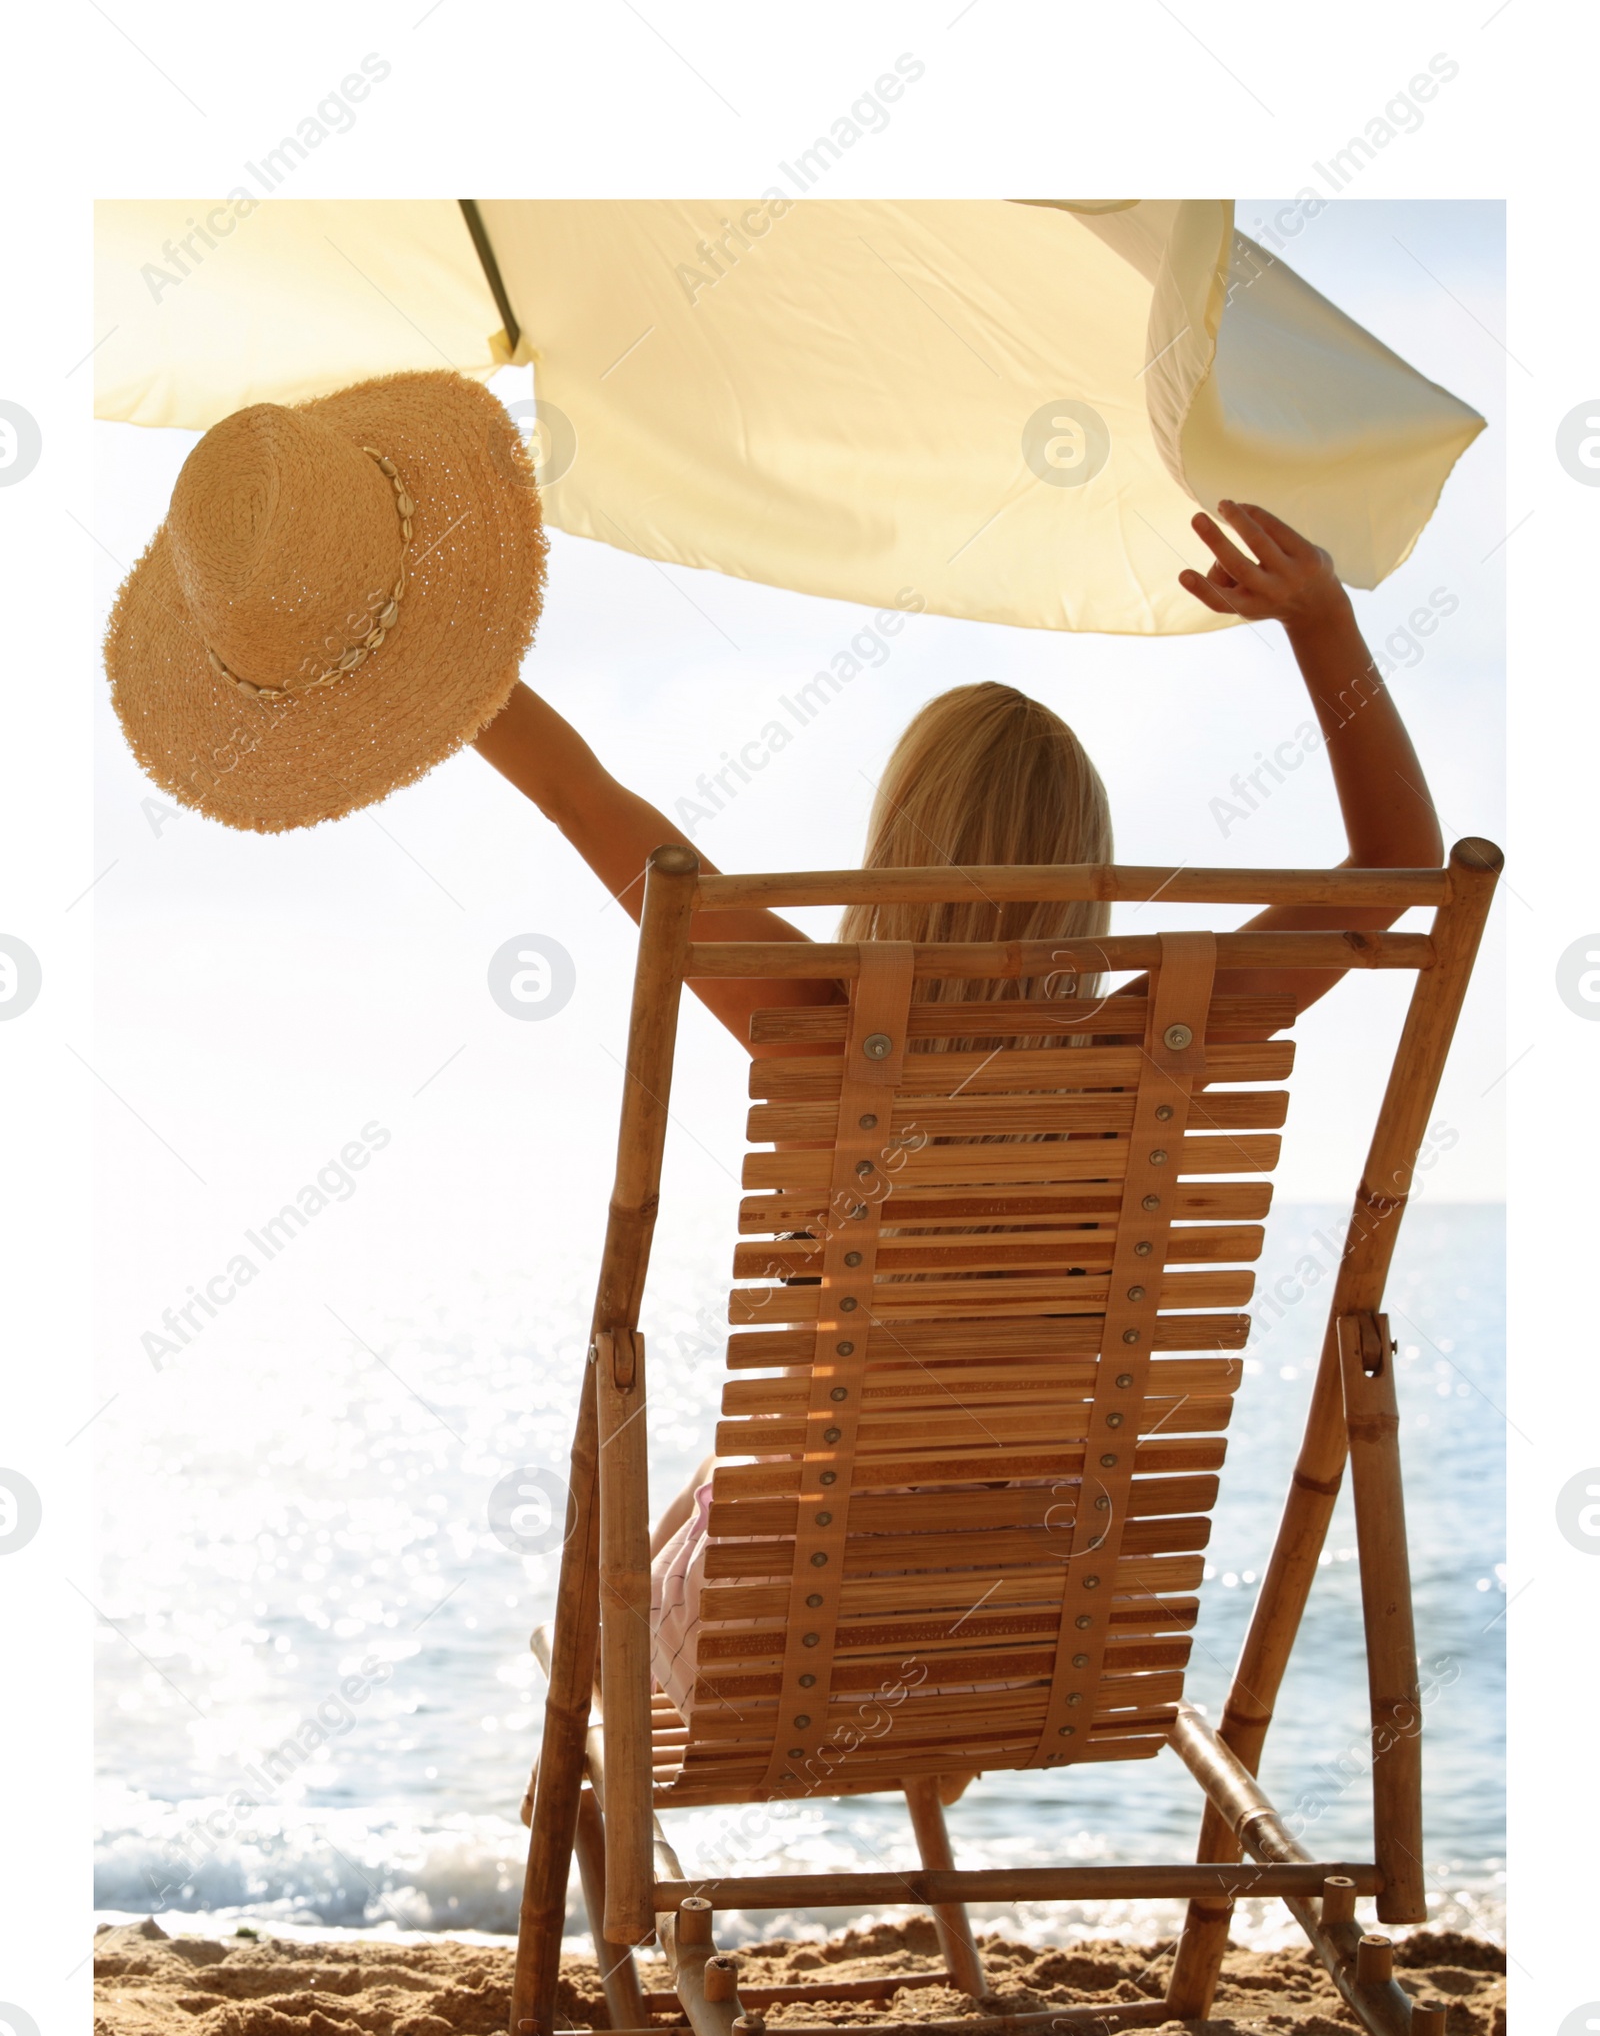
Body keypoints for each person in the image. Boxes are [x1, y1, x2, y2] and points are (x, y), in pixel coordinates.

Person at [472, 497, 1447, 1711]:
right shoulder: (1160, 1044)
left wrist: (432, 655)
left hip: (778, 1644)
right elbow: (1405, 861)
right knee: (774, 1474)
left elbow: (576, 793)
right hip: (1042, 1641)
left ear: (897, 847)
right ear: (1084, 872)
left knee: (723, 1495)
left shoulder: (821, 1021)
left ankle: (577, 1787)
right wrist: (1321, 626)